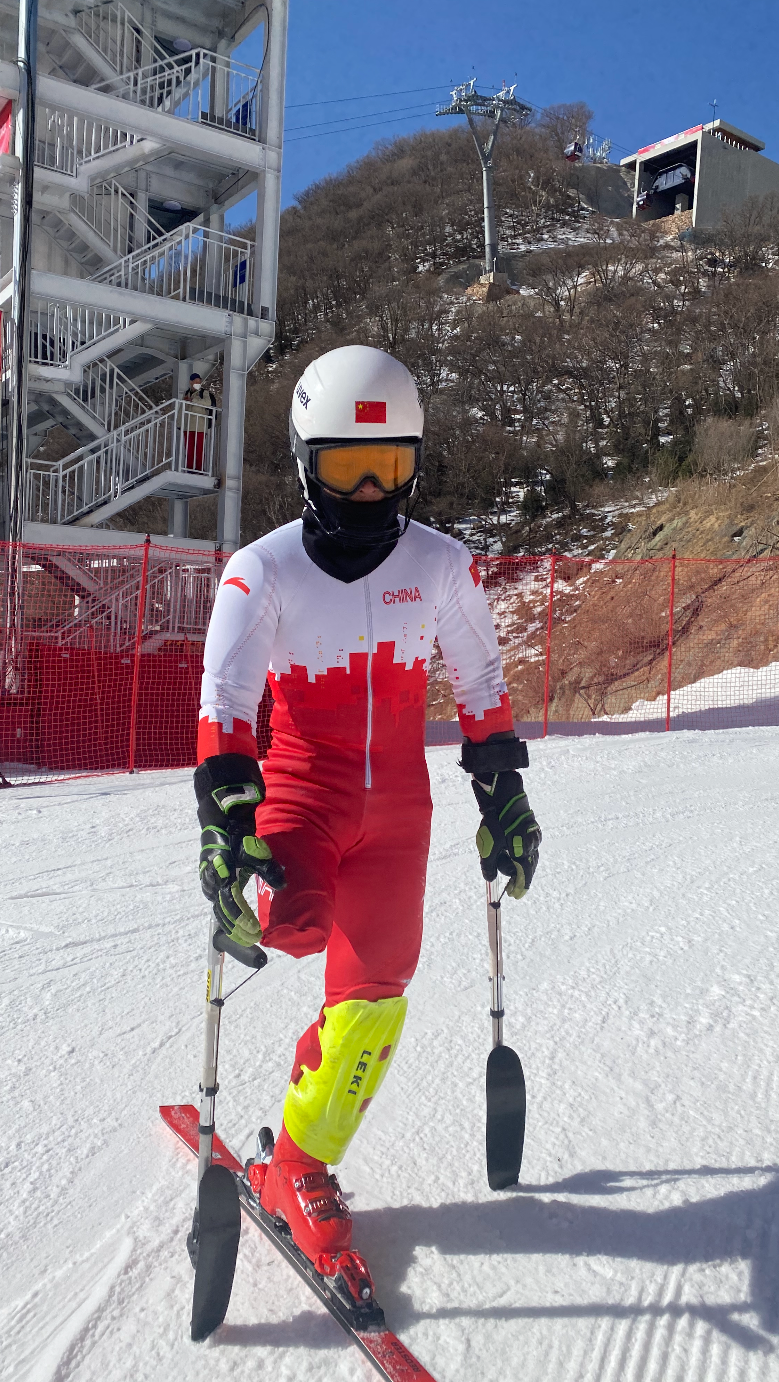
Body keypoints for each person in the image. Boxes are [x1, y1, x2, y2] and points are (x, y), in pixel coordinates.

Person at [195, 344, 541, 1274]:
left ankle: (300, 1164)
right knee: (291, 925)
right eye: (349, 469)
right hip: (303, 791)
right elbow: (224, 705)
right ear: (309, 463)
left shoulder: (440, 566)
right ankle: (263, 905)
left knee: (377, 994)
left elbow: (480, 680)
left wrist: (502, 790)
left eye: (391, 470)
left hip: (399, 813)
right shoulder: (258, 572)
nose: (372, 494)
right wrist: (226, 821)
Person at [183, 371, 216, 470]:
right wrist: (180, 424)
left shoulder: (204, 393)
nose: (198, 384)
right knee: (189, 449)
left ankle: (199, 469)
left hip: (200, 426)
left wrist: (193, 401)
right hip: (188, 425)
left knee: (199, 450)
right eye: (196, 381)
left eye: (199, 382)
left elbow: (208, 403)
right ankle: (189, 468)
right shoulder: (186, 393)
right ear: (191, 382)